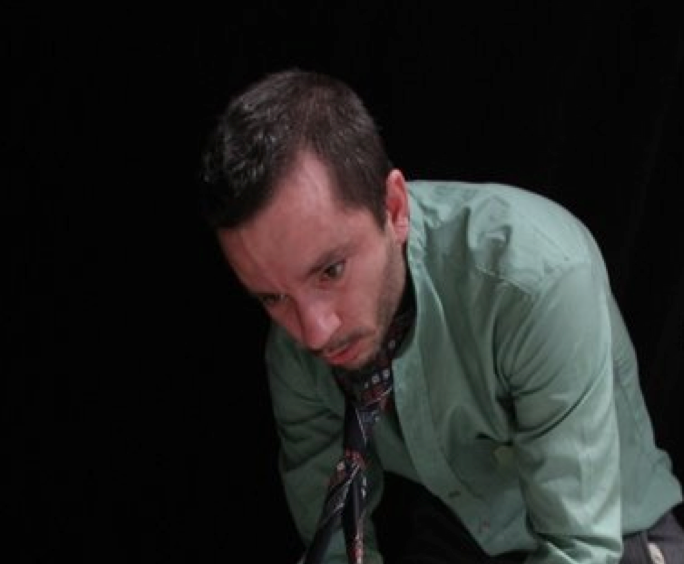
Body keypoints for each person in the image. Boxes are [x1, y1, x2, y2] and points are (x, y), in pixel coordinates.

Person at [196, 67, 684, 564]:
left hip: (614, 540)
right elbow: (337, 551)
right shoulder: (292, 348)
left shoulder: (534, 280)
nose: (315, 333)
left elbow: (581, 549)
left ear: (394, 207)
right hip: (462, 538)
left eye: (331, 270)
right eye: (273, 298)